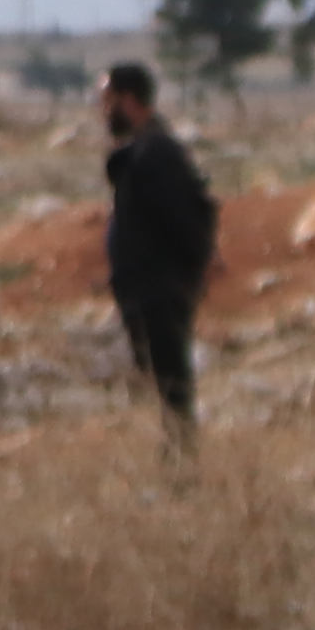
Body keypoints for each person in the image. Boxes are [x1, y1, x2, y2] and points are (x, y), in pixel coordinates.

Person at [95, 64, 215, 431]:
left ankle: (182, 459)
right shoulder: (141, 152)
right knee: (161, 377)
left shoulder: (157, 154)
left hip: (159, 286)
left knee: (172, 380)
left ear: (128, 101)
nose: (102, 110)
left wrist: (182, 276)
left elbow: (185, 219)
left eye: (108, 100)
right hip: (146, 285)